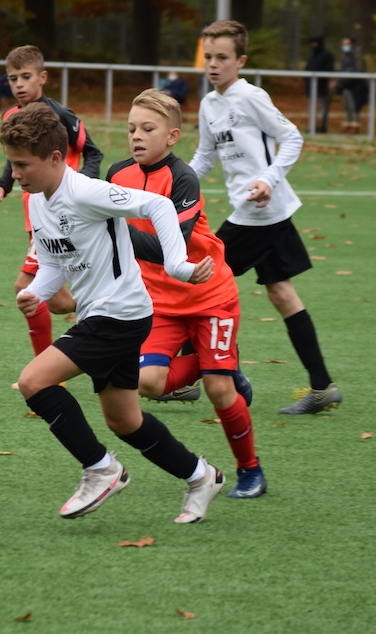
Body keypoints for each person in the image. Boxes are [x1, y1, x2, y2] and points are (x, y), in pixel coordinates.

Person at [1, 103, 226, 524]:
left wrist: (177, 265)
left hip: (120, 313)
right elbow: (54, 261)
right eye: (12, 164)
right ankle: (201, 477)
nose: (14, 174)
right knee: (125, 421)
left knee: (33, 381)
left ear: (55, 157)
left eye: (22, 165)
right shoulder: (37, 201)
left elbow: (158, 207)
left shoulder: (87, 191)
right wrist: (36, 292)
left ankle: (100, 469)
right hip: (102, 314)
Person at [108, 89, 265, 498]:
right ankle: (219, 361)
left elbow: (170, 248)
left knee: (218, 389)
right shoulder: (117, 174)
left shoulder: (182, 178)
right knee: (148, 383)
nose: (136, 136)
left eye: (148, 129)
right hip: (161, 303)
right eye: (131, 129)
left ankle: (250, 471)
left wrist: (117, 234)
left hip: (209, 295)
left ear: (172, 136)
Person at [190, 20, 342, 416]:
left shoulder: (250, 96)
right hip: (261, 213)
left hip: (259, 213)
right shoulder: (209, 104)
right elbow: (205, 156)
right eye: (209, 57)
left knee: (201, 281)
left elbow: (292, 137)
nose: (213, 65)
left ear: (240, 61)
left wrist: (268, 179)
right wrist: (173, 181)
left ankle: (186, 375)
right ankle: (322, 386)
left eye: (222, 58)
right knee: (281, 293)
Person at [0, 45, 104, 363]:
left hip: (62, 215)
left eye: (26, 77)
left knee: (25, 287)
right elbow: (15, 160)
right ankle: (112, 306)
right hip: (36, 216)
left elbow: (93, 153)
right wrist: (2, 185)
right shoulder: (10, 115)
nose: (19, 84)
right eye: (13, 79)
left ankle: (46, 371)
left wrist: (81, 189)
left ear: (43, 77)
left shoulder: (60, 115)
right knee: (58, 302)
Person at [334, 36, 366, 133]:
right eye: (343, 44)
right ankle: (347, 125)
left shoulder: (356, 56)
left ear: (352, 44)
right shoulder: (345, 56)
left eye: (346, 44)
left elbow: (357, 69)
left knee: (354, 106)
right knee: (347, 106)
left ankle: (355, 126)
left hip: (355, 85)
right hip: (345, 84)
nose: (344, 46)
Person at [303, 36, 334, 133]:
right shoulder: (312, 56)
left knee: (323, 107)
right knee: (312, 108)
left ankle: (323, 126)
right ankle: (313, 126)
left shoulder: (326, 55)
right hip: (311, 86)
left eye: (315, 43)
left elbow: (329, 70)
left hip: (322, 86)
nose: (313, 45)